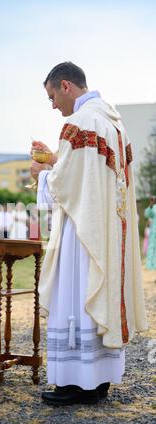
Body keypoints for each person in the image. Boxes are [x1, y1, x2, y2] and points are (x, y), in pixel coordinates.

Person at [30, 62, 147, 406]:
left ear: (66, 85)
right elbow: (90, 175)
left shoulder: (79, 122)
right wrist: (56, 159)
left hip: (85, 233)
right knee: (97, 295)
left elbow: (69, 185)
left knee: (75, 296)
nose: (53, 105)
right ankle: (98, 380)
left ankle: (75, 383)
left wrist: (41, 173)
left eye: (52, 96)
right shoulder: (113, 122)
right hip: (109, 230)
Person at [144, 197, 156, 269]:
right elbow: (147, 214)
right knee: (152, 248)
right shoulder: (154, 207)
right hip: (154, 233)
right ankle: (151, 266)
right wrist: (151, 204)